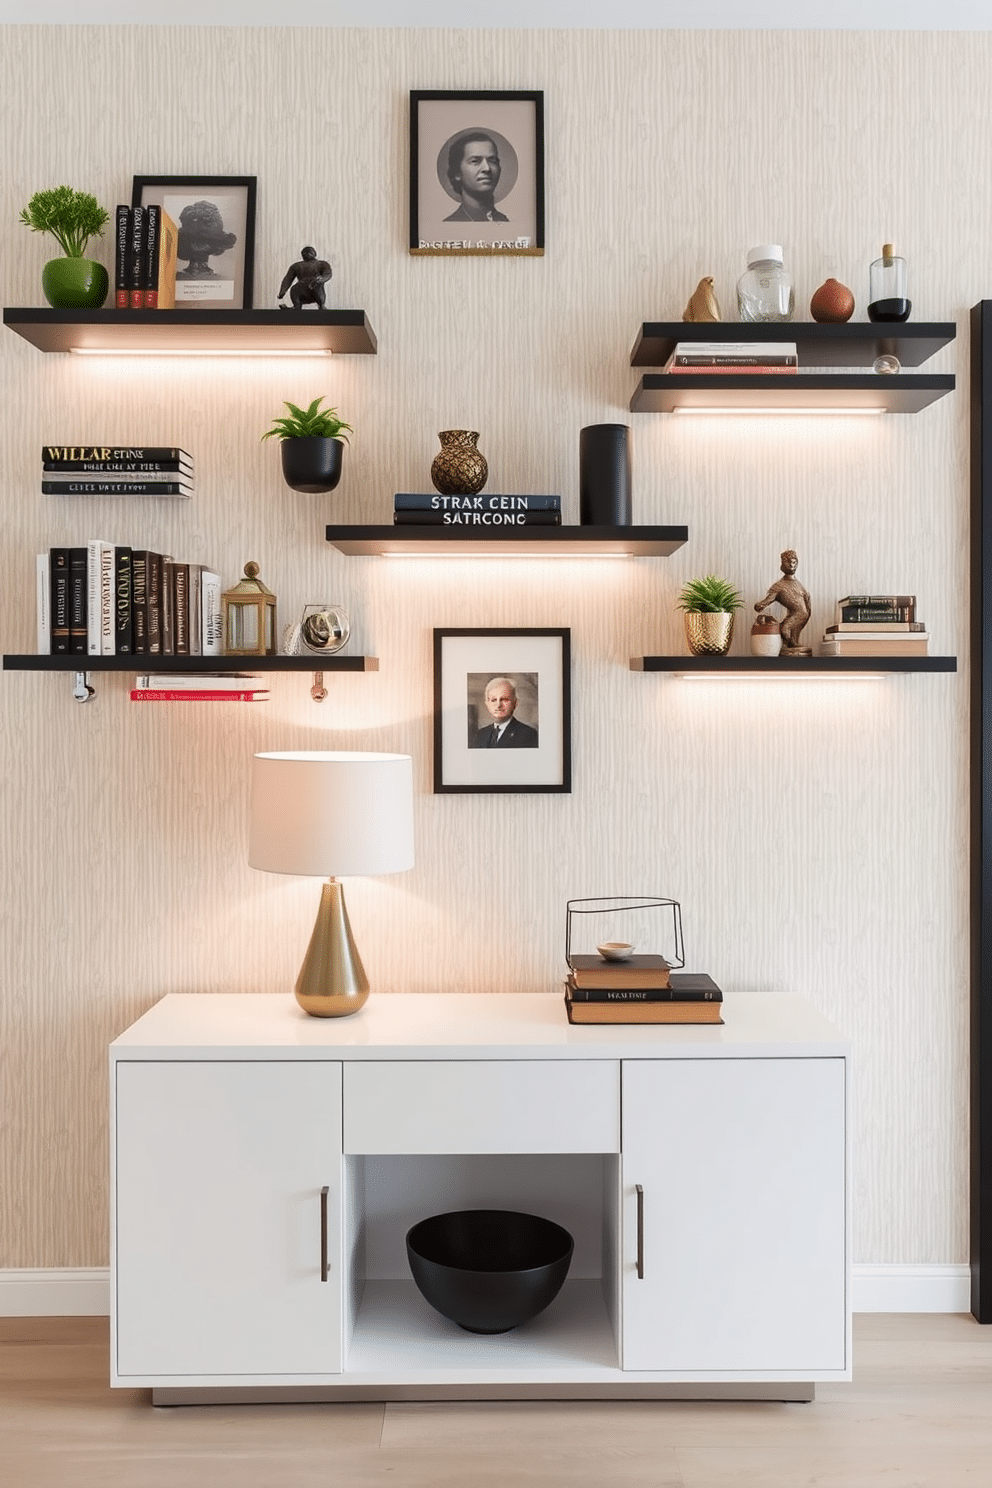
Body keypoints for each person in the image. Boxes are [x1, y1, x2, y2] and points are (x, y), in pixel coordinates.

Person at [754, 549, 812, 654]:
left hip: (802, 614)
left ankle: (791, 643)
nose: (791, 565)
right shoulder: (779, 586)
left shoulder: (798, 584)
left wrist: (808, 608)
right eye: (788, 562)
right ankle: (789, 644)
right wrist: (761, 604)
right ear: (782, 564)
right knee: (784, 630)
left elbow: (806, 597)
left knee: (785, 629)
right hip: (798, 613)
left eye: (794, 562)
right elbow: (769, 598)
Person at [443, 133, 509, 223]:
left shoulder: (504, 221)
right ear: (457, 173)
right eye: (475, 161)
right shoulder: (450, 224)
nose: (487, 168)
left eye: (492, 161)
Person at [470, 676, 538, 748]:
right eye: (494, 700)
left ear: (515, 703)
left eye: (504, 699)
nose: (498, 705)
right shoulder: (480, 734)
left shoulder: (529, 735)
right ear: (487, 704)